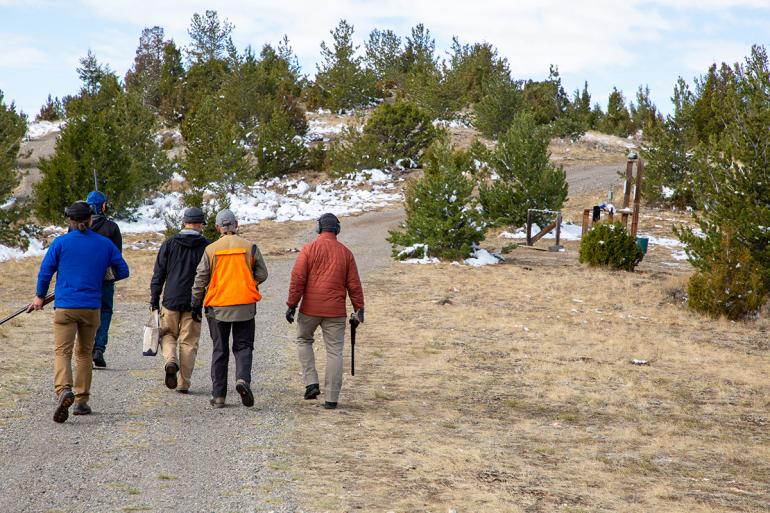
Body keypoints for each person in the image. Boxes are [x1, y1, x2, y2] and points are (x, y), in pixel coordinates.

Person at [30, 201, 129, 423]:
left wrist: (39, 296)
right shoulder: (104, 244)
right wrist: (103, 277)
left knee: (62, 352)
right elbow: (123, 270)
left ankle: (64, 389)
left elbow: (46, 272)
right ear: (91, 219)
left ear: (70, 221)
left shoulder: (61, 243)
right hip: (91, 307)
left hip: (65, 305)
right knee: (84, 353)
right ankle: (82, 401)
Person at [285, 213, 364, 410]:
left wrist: (292, 305)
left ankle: (311, 382)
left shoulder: (308, 250)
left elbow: (297, 280)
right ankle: (331, 398)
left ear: (319, 228)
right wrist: (359, 309)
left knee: (303, 340)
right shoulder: (346, 253)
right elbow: (354, 285)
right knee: (335, 352)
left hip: (309, 309)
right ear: (337, 229)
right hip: (335, 312)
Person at [191, 209, 268, 408]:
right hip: (244, 305)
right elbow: (263, 273)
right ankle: (242, 380)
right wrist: (249, 282)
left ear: (218, 228)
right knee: (243, 346)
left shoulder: (211, 250)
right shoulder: (249, 247)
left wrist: (195, 302)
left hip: (218, 308)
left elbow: (201, 278)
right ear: (236, 225)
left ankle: (218, 396)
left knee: (220, 350)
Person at [150, 207, 209, 393]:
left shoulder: (169, 243)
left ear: (183, 222)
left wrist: (154, 298)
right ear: (202, 224)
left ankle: (170, 360)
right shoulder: (207, 246)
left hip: (171, 299)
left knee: (167, 334)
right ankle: (183, 382)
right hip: (195, 300)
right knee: (189, 342)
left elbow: (158, 274)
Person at [85, 191, 123, 368]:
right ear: (103, 207)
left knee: (85, 311)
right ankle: (99, 347)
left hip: (83, 278)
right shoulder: (112, 228)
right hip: (106, 276)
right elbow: (117, 255)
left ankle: (86, 348)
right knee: (105, 311)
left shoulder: (77, 227)